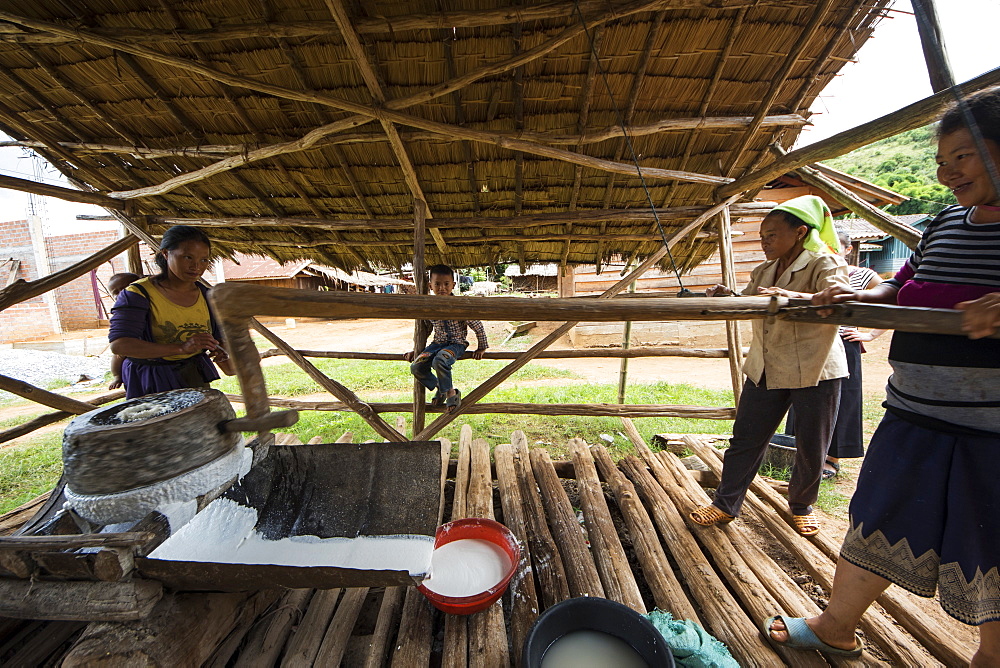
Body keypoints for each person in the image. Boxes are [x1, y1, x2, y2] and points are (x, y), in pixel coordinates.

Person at [766, 88, 1000, 663]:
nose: (947, 172)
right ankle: (835, 626)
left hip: (991, 434)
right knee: (879, 522)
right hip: (912, 412)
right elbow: (902, 288)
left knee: (991, 547)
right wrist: (860, 293)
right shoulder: (945, 223)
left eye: (963, 156)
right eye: (942, 159)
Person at [689, 195, 849, 536]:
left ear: (800, 232)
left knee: (811, 442)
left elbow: (839, 295)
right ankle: (725, 504)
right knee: (746, 437)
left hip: (815, 366)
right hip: (767, 365)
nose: (764, 242)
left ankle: (802, 505)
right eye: (762, 236)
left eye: (771, 235)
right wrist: (729, 297)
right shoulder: (764, 269)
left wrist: (791, 298)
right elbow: (753, 302)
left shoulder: (824, 262)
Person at [783, 230, 886, 479]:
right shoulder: (811, 272)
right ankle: (797, 453)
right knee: (804, 395)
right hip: (811, 342)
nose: (828, 252)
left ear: (848, 250)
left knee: (842, 400)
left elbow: (894, 300)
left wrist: (871, 334)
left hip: (844, 343)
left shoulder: (862, 276)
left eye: (834, 247)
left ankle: (832, 459)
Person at [109, 226, 232, 399]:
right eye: (187, 257)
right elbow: (120, 345)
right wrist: (181, 348)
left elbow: (220, 343)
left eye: (204, 260)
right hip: (150, 381)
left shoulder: (207, 296)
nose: (196, 266)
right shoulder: (139, 294)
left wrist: (221, 350)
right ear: (166, 254)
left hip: (192, 376)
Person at [403, 264, 488, 413]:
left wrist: (482, 347)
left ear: (453, 285)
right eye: (437, 284)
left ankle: (451, 393)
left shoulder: (461, 306)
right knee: (416, 367)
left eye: (446, 284)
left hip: (456, 344)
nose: (442, 288)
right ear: (430, 286)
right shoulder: (429, 307)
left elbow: (477, 326)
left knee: (440, 360)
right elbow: (426, 330)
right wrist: (416, 350)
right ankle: (441, 388)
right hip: (437, 344)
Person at [106, 272, 141, 390]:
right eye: (115, 292)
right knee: (118, 355)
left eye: (125, 288)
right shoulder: (120, 310)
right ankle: (117, 376)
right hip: (130, 353)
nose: (120, 294)